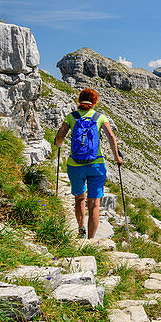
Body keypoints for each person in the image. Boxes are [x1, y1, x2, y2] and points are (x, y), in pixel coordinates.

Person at [53, 88, 123, 240]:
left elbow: (60, 137)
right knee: (94, 203)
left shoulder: (72, 117)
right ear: (95, 102)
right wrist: (117, 157)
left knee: (79, 198)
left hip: (75, 165)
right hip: (96, 165)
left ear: (79, 100)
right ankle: (91, 240)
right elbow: (111, 137)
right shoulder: (100, 117)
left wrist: (57, 144)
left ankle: (80, 229)